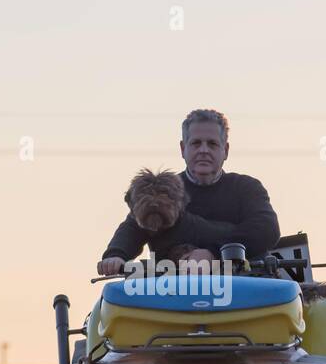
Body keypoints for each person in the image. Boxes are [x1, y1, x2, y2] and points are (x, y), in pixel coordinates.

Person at [96, 109, 280, 275]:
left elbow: (266, 229)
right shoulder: (162, 188)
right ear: (183, 149)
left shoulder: (247, 187)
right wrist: (116, 255)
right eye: (196, 143)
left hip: (243, 287)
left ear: (226, 150)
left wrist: (212, 253)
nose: (203, 150)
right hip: (172, 293)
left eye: (212, 144)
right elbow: (133, 226)